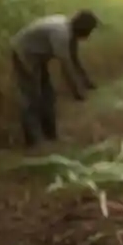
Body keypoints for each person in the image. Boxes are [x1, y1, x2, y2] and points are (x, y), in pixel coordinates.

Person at [10, 10, 98, 147]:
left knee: (48, 95)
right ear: (83, 29)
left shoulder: (69, 30)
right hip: (25, 53)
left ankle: (51, 135)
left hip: (39, 56)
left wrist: (87, 81)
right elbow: (66, 66)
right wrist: (77, 92)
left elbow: (74, 58)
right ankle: (34, 141)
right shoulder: (61, 34)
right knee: (32, 97)